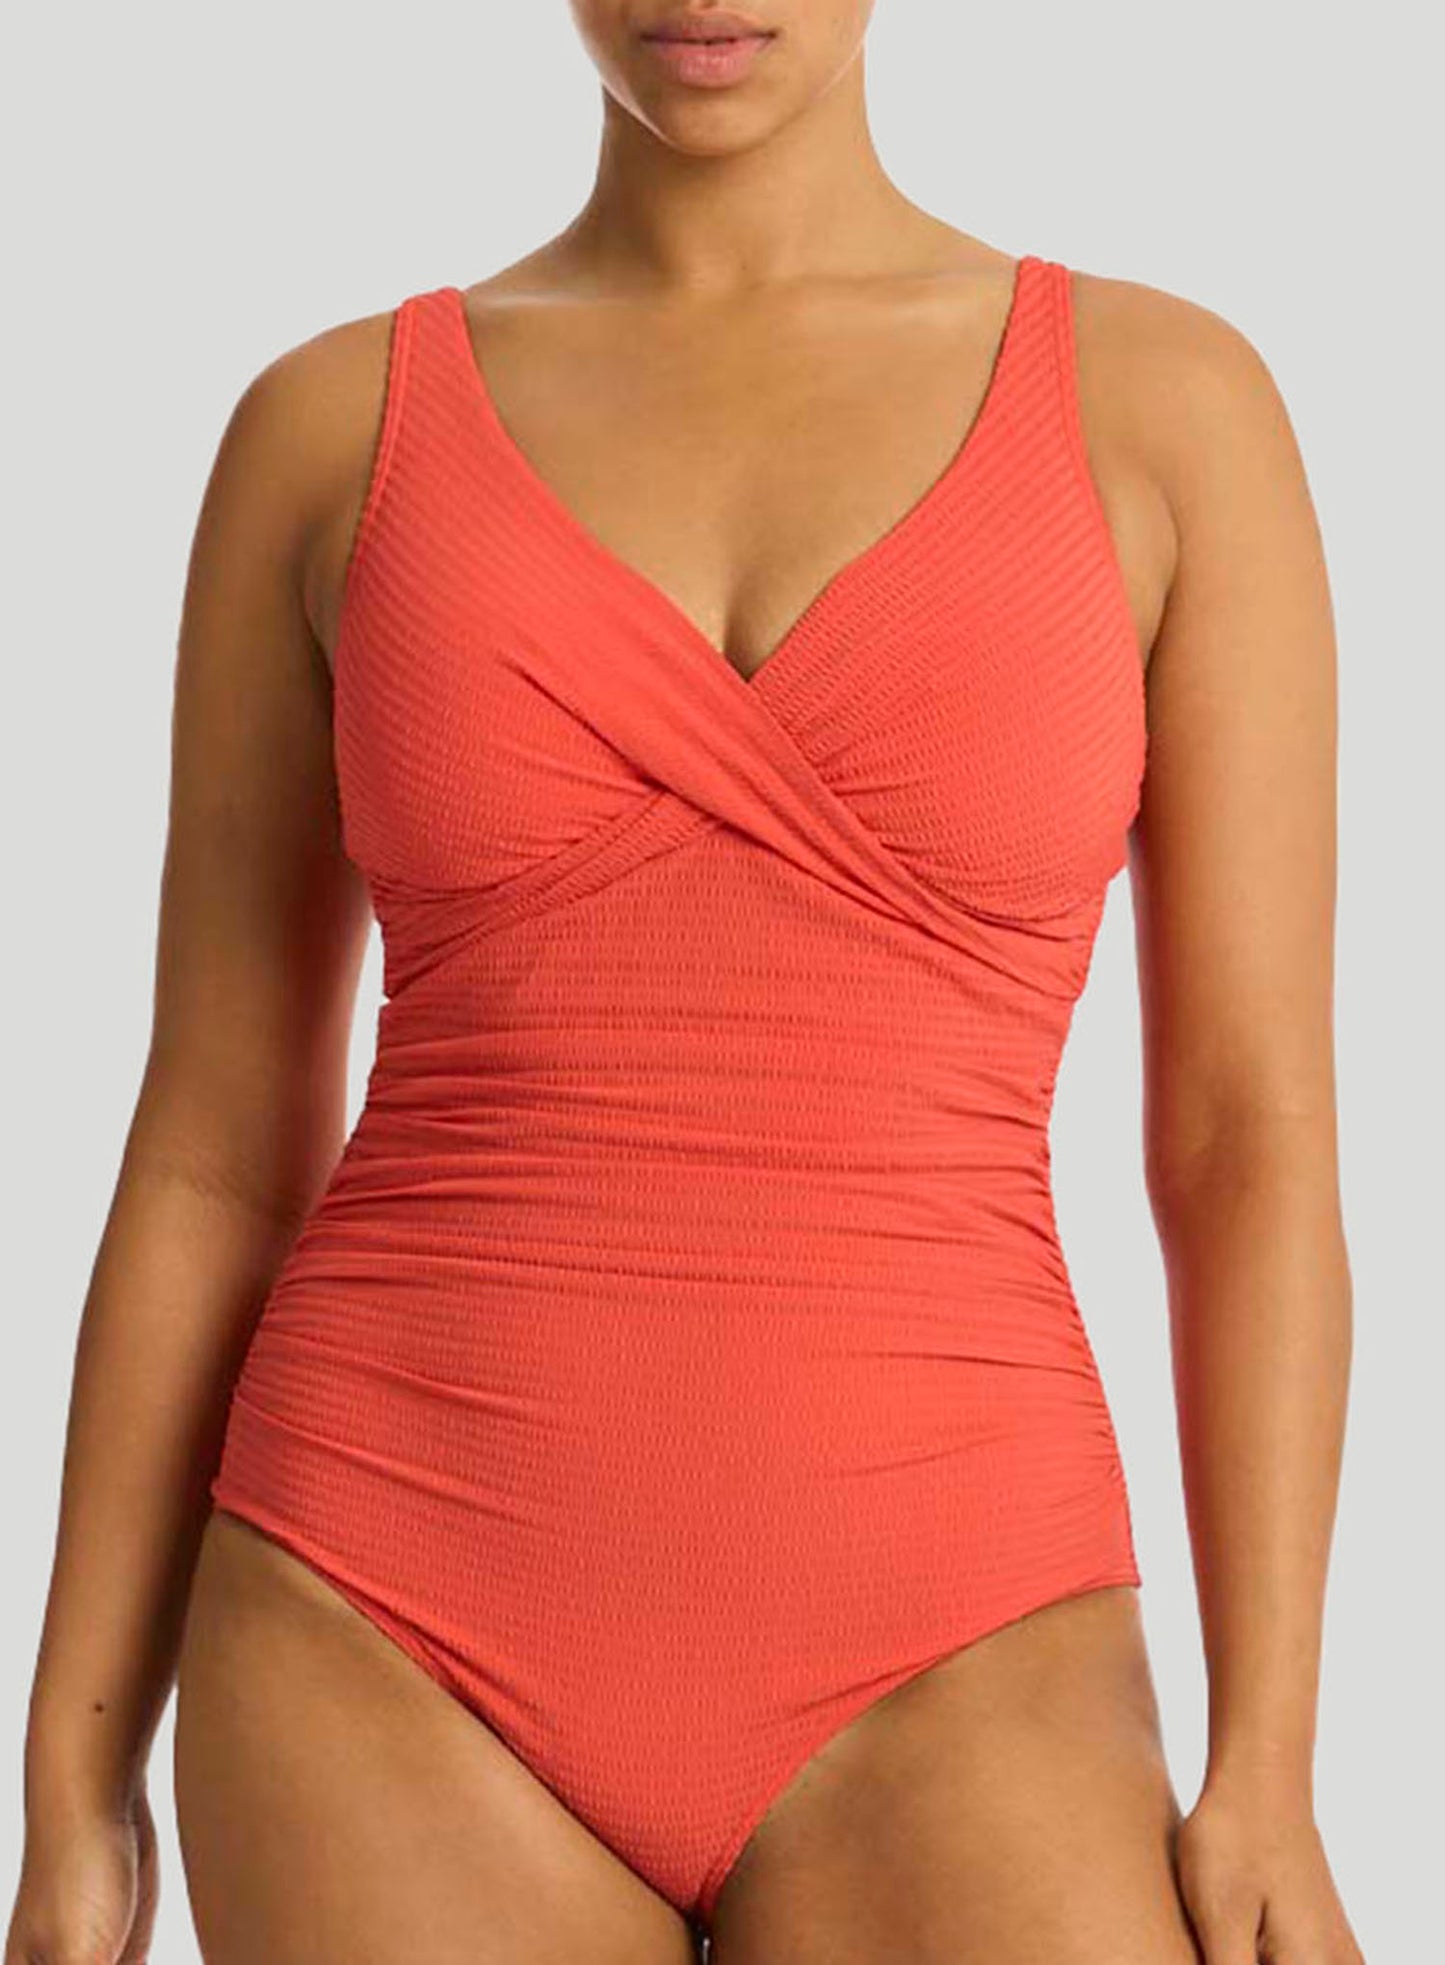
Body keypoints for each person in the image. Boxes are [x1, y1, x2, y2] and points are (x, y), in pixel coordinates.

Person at [8, 4, 1365, 1962]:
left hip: (967, 1618)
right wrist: (72, 1775)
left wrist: (1270, 1761)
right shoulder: (327, 429)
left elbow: (1247, 1136)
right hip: (378, 1605)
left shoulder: (1164, 409)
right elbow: (215, 1151)